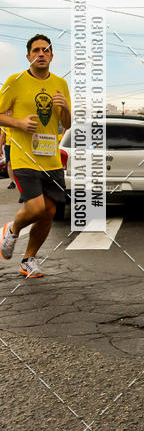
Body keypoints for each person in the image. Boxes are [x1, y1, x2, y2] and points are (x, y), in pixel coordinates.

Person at [0, 35, 71, 277]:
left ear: (52, 56)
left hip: (50, 158)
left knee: (49, 211)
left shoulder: (61, 83)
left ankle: (28, 259)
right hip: (24, 157)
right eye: (36, 50)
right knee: (36, 206)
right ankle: (12, 228)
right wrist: (18, 122)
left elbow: (67, 123)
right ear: (28, 56)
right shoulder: (15, 81)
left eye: (46, 50)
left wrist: (65, 108)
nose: (41, 53)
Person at [0, 123, 16, 188]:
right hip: (8, 145)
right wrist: (0, 147)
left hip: (17, 145)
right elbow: (3, 136)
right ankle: (13, 181)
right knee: (9, 163)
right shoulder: (5, 123)